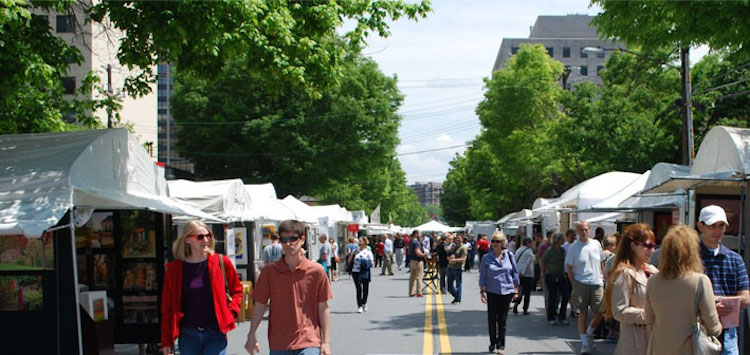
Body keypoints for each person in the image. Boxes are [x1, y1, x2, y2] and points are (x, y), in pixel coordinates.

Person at [245, 220, 332, 355]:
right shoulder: (270, 272)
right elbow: (260, 304)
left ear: (302, 240)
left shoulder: (316, 271)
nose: (288, 243)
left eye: (293, 239)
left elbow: (323, 307)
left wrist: (326, 342)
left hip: (309, 340)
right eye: (284, 239)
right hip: (279, 342)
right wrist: (251, 334)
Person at [161, 220, 243, 355]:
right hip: (188, 335)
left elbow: (237, 290)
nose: (205, 240)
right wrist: (166, 341)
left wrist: (231, 312)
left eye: (208, 235)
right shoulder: (175, 269)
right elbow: (168, 307)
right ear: (187, 240)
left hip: (216, 333)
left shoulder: (221, 262)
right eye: (200, 237)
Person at [645, 224, 721, 355]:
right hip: (689, 349)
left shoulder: (653, 282)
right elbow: (713, 327)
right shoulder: (701, 281)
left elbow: (649, 321)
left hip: (658, 348)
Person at [696, 205, 750, 355]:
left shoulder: (735, 259)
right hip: (699, 328)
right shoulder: (691, 258)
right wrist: (714, 305)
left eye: (721, 226)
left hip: (728, 331)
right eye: (713, 226)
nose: (717, 231)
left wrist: (716, 301)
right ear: (700, 226)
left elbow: (746, 299)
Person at [602, 224, 658, 355]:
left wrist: (658, 276)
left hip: (650, 338)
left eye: (653, 246)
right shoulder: (625, 273)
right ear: (633, 245)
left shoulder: (647, 271)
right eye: (648, 246)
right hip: (634, 342)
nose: (652, 250)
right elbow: (619, 311)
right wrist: (651, 315)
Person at [565, 221, 605, 355]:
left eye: (586, 229)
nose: (584, 232)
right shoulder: (574, 247)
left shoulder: (596, 244)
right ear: (577, 231)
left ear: (590, 230)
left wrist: (602, 277)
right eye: (581, 230)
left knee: (600, 313)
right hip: (581, 282)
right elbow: (569, 267)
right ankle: (585, 344)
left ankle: (589, 333)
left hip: (596, 282)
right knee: (582, 313)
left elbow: (601, 262)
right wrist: (574, 284)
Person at [479, 231, 519, 355]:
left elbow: (515, 273)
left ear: (503, 243)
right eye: (493, 241)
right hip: (492, 291)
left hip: (507, 291)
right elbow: (483, 276)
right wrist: (482, 291)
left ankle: (501, 345)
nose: (495, 244)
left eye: (498, 241)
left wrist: (516, 289)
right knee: (492, 319)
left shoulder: (510, 256)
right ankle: (493, 341)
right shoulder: (486, 258)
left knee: (502, 320)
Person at [541, 233, 570, 326]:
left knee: (565, 295)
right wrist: (543, 272)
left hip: (561, 275)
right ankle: (551, 317)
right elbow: (543, 261)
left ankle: (562, 316)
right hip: (551, 275)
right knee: (552, 296)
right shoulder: (550, 250)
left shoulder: (562, 250)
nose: (563, 240)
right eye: (561, 239)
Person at [349, 237, 374, 313]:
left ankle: (364, 303)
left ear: (365, 242)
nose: (359, 243)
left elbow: (372, 263)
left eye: (361, 241)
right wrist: (351, 256)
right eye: (359, 241)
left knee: (365, 289)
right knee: (358, 289)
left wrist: (364, 262)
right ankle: (359, 305)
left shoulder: (368, 251)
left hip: (364, 272)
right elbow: (349, 260)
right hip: (356, 271)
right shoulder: (355, 250)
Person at [512, 237, 535, 315]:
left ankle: (516, 304)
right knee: (527, 293)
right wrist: (523, 272)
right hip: (527, 274)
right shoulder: (529, 252)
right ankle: (525, 309)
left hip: (518, 273)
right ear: (528, 243)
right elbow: (527, 263)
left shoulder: (519, 250)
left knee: (520, 291)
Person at [448, 234, 467, 304]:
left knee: (458, 284)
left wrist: (454, 260)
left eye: (459, 238)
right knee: (449, 286)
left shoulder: (463, 247)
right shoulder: (454, 247)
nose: (458, 240)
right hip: (451, 267)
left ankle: (458, 299)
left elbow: (463, 259)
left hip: (458, 268)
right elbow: (449, 253)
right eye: (457, 238)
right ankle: (457, 296)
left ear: (462, 239)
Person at [408, 230, 425, 297]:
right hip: (418, 261)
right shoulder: (416, 243)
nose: (420, 235)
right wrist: (424, 255)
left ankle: (411, 292)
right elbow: (418, 252)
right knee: (419, 277)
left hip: (412, 260)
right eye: (419, 233)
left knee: (412, 277)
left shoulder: (411, 242)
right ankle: (419, 292)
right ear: (416, 234)